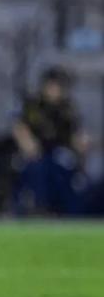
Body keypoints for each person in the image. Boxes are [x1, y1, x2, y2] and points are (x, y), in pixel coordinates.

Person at [11, 67, 88, 215]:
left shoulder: (67, 108)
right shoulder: (33, 105)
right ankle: (38, 208)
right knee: (37, 169)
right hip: (35, 153)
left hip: (58, 152)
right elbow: (19, 127)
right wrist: (29, 145)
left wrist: (81, 145)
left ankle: (66, 212)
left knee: (65, 171)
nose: (57, 90)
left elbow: (75, 134)